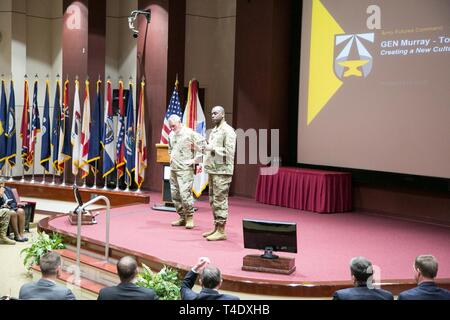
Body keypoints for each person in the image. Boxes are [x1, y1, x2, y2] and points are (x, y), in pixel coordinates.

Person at [202, 106, 236, 241]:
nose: (212, 115)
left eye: (215, 113)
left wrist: (212, 148)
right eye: (211, 113)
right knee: (213, 200)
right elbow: (212, 150)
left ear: (223, 114)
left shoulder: (228, 131)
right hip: (213, 169)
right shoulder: (215, 131)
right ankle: (216, 227)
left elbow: (229, 152)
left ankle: (221, 230)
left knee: (220, 200)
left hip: (223, 171)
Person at [167, 114, 203, 229]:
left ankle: (190, 217)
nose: (172, 128)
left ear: (179, 122)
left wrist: (195, 160)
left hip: (185, 170)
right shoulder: (171, 135)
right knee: (175, 194)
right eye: (170, 127)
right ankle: (182, 217)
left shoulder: (189, 133)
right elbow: (170, 149)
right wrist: (171, 157)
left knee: (185, 194)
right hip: (174, 168)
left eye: (173, 126)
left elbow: (202, 145)